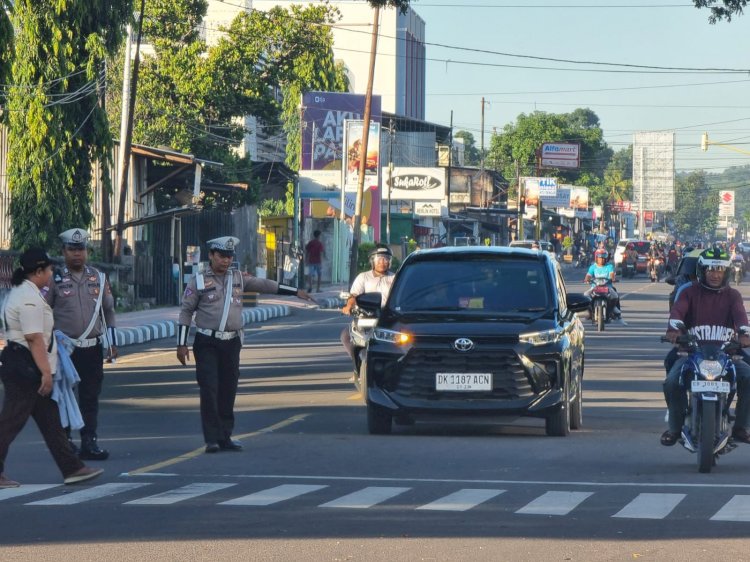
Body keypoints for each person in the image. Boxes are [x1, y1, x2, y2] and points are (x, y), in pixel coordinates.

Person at [177, 236, 312, 453]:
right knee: (209, 388)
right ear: (211, 255)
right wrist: (181, 344)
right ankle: (212, 438)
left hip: (231, 343)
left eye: (229, 257)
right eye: (221, 256)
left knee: (228, 389)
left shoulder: (238, 278)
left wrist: (295, 292)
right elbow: (186, 312)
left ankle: (225, 436)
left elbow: (266, 285)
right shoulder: (199, 281)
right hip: (207, 342)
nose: (225, 261)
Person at [0, 248, 103, 487]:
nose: (51, 273)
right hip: (24, 366)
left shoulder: (27, 293)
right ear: (38, 271)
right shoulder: (28, 298)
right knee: (10, 422)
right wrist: (46, 372)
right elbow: (34, 338)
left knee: (51, 422)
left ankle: (72, 468)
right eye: (47, 269)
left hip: (25, 364)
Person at [661, 247, 750, 446]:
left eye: (719, 270)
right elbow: (677, 314)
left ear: (726, 272)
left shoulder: (733, 296)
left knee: (749, 377)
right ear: (702, 270)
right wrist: (674, 332)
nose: (715, 274)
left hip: (726, 354)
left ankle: (741, 427)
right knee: (672, 382)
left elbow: (741, 318)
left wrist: (744, 335)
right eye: (710, 269)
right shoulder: (689, 292)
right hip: (691, 353)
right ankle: (675, 428)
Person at [44, 228, 117, 461]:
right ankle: (65, 443)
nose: (77, 254)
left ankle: (89, 442)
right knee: (63, 396)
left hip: (91, 347)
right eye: (72, 249)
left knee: (90, 396)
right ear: (63, 252)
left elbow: (108, 310)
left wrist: (112, 344)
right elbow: (43, 311)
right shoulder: (54, 279)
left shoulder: (99, 277)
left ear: (87, 251)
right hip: (64, 350)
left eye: (81, 249)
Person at [340, 245, 396, 363]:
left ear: (390, 261)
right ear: (372, 261)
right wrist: (349, 306)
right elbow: (354, 295)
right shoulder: (363, 277)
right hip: (365, 315)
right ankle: (357, 366)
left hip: (388, 316)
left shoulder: (394, 278)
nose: (382, 262)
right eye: (379, 258)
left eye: (386, 258)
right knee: (346, 336)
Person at [583, 248, 621, 319]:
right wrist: (587, 280)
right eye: (600, 258)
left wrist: (613, 279)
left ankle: (613, 309)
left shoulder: (609, 266)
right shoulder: (593, 267)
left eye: (604, 258)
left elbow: (612, 274)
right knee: (586, 295)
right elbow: (588, 275)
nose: (602, 260)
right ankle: (589, 311)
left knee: (615, 296)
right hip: (595, 287)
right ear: (596, 258)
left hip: (607, 287)